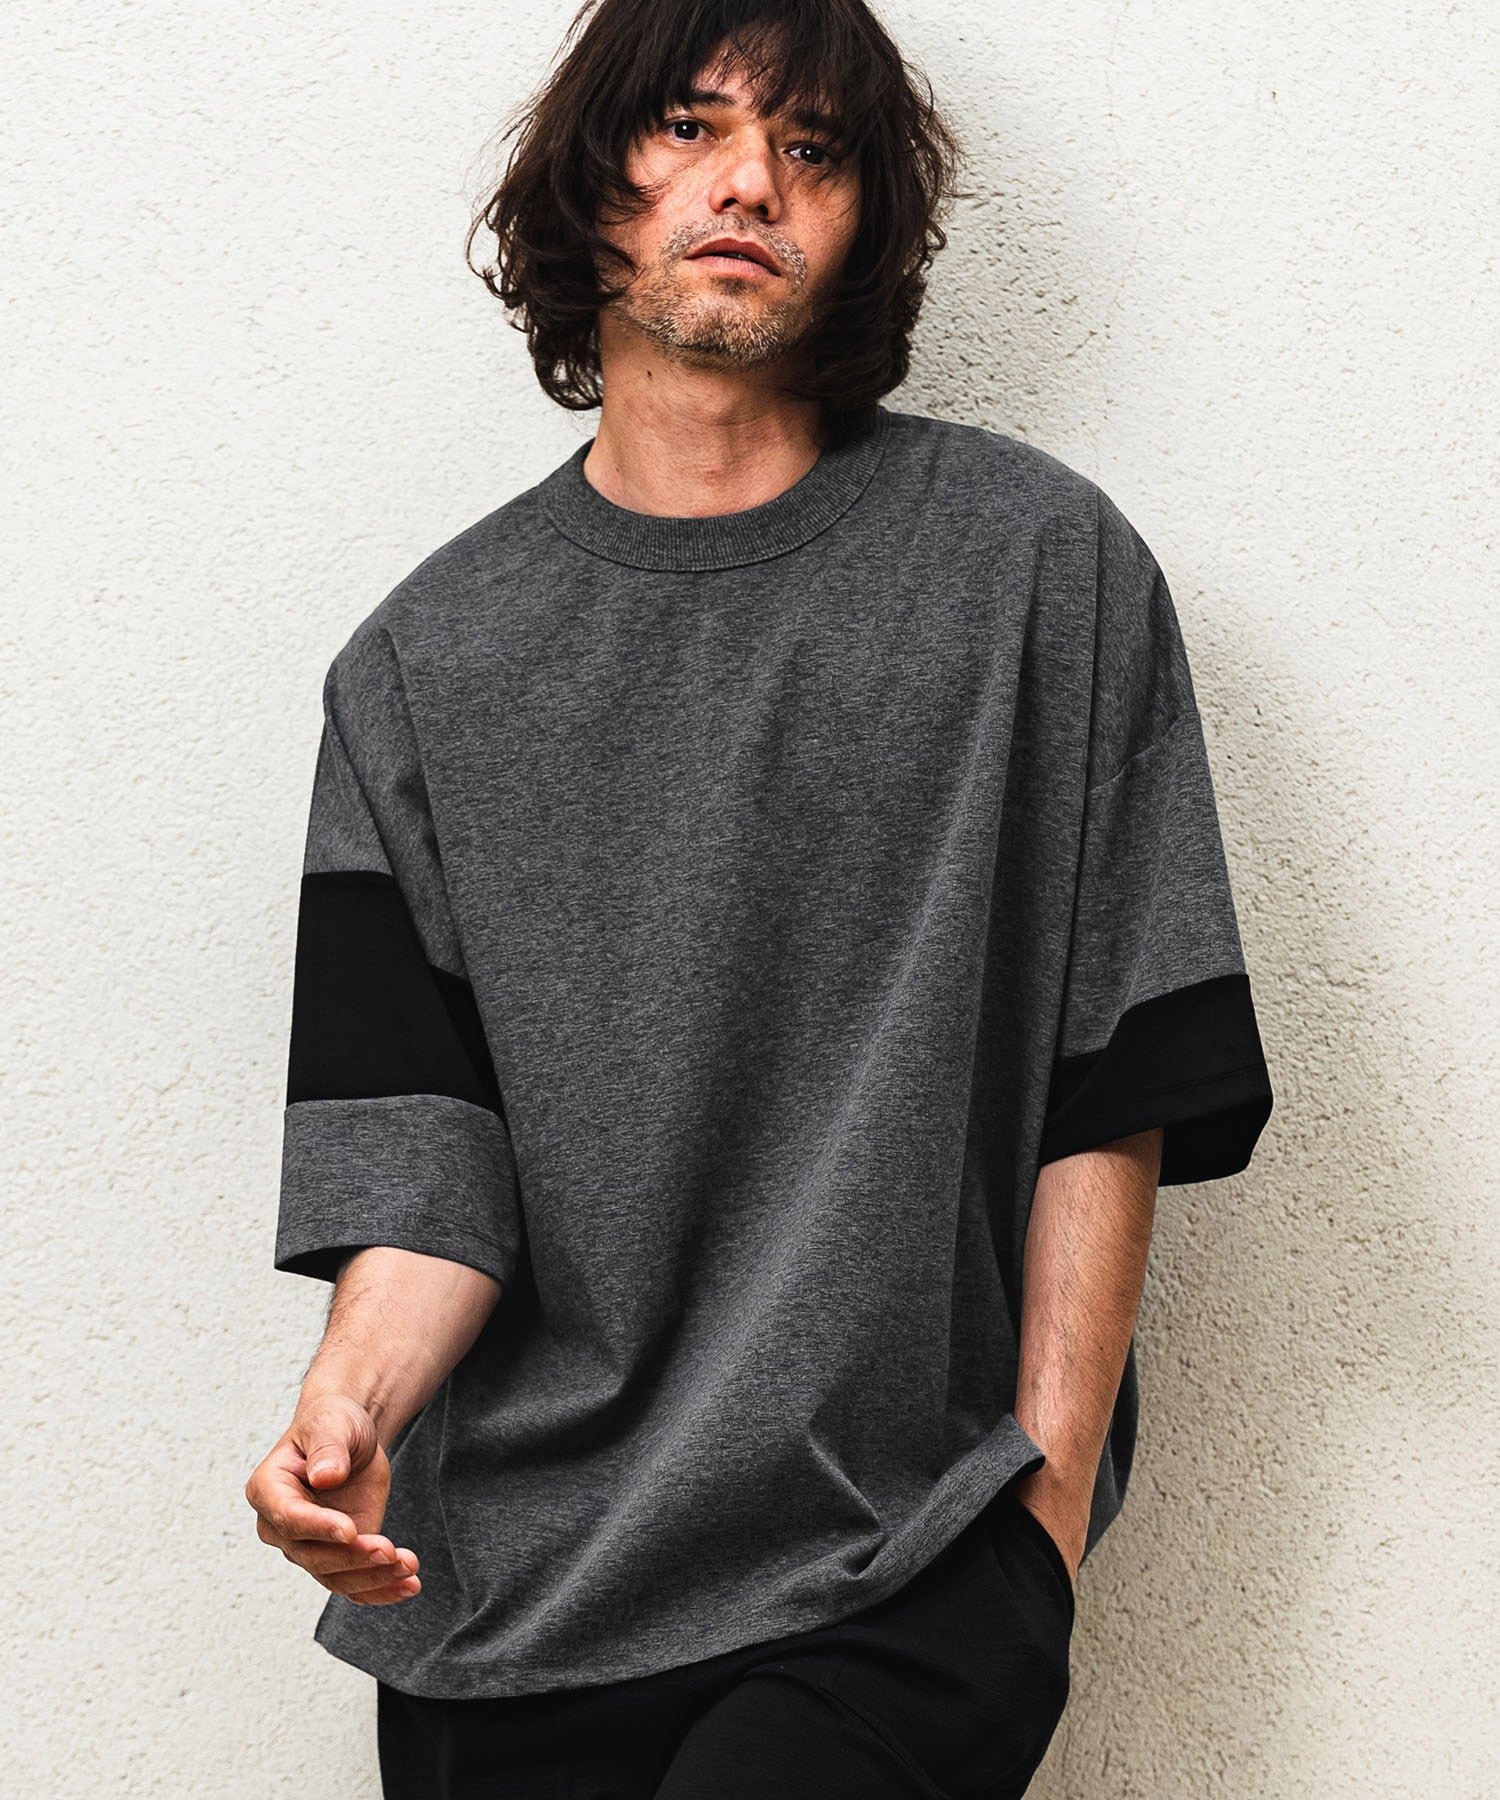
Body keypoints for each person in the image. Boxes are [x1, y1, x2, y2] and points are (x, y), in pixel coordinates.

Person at [244, 1, 1275, 1793]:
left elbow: (1120, 1081)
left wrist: (1037, 1525)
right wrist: (346, 1410)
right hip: (510, 1616)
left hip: (898, 1564)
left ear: (867, 221)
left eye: (813, 150)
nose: (749, 184)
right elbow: (423, 1181)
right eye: (693, 126)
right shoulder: (424, 665)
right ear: (592, 182)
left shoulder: (1041, 572)